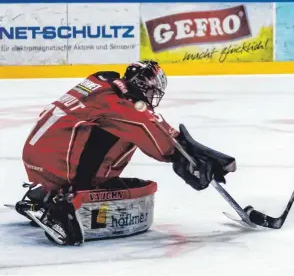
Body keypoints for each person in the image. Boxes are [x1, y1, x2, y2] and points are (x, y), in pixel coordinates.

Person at [16, 60, 236, 245]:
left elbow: (144, 120)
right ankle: (64, 204)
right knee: (125, 134)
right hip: (58, 164)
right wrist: (181, 158)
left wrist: (189, 149)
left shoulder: (101, 82)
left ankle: (45, 195)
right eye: (151, 91)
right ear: (144, 86)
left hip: (41, 157)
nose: (151, 97)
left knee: (113, 128)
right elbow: (157, 138)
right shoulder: (121, 104)